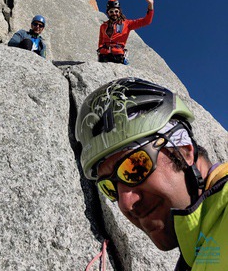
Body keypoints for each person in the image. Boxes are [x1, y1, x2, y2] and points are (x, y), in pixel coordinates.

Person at [75, 77, 228, 270]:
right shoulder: (197, 252)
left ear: (184, 150)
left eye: (135, 168)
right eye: (109, 188)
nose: (125, 203)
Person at [97, 0, 154, 64]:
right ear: (108, 13)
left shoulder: (127, 24)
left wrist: (150, 4)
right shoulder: (103, 26)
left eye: (116, 11)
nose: (114, 13)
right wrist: (100, 49)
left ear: (119, 12)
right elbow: (101, 41)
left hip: (118, 55)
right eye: (111, 12)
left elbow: (146, 21)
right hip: (104, 55)